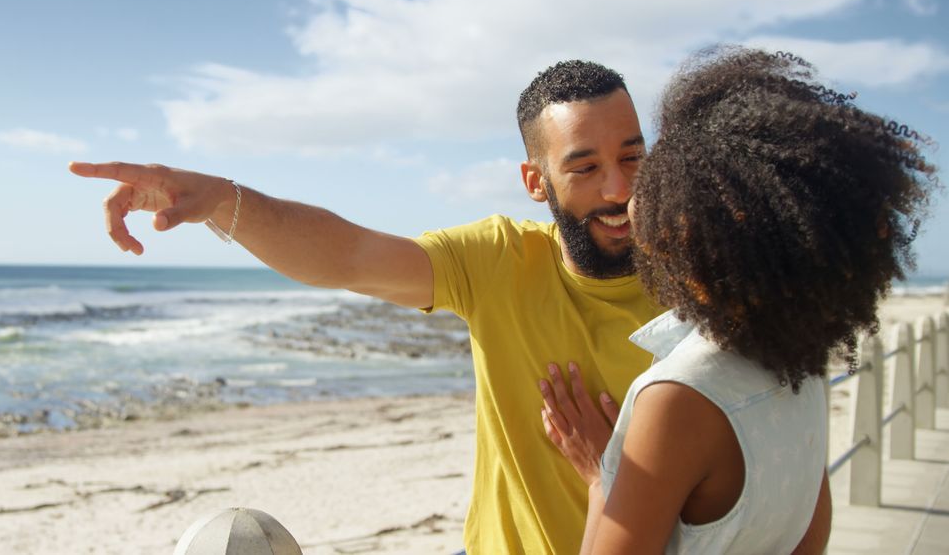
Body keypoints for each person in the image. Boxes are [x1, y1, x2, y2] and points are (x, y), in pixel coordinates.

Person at [70, 60, 660, 553]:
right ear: (536, 181)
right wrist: (222, 200)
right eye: (584, 167)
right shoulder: (502, 259)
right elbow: (348, 255)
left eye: (632, 157)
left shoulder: (703, 288)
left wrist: (612, 476)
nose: (618, 190)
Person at [538, 46, 938, 553]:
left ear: (690, 232)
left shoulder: (677, 398)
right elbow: (809, 539)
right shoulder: (801, 359)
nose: (629, 192)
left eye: (658, 172)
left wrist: (602, 480)